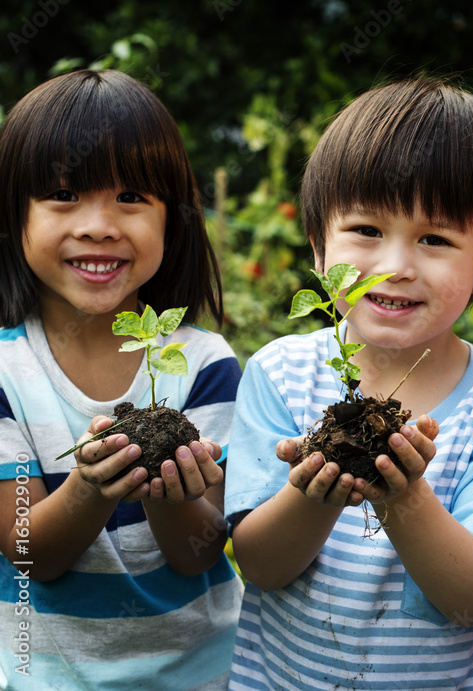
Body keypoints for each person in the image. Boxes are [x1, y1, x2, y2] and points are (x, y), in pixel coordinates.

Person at [223, 78, 473, 690]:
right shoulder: (278, 375)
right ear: (318, 246)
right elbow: (261, 566)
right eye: (366, 231)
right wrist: (314, 492)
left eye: (435, 239)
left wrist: (404, 497)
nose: (396, 265)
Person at [0, 70, 243, 688]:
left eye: (132, 196)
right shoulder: (6, 372)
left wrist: (172, 492)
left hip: (202, 673)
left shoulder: (205, 362)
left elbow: (201, 553)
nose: (99, 224)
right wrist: (91, 486)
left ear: (174, 218)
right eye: (63, 194)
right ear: (14, 214)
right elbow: (30, 553)